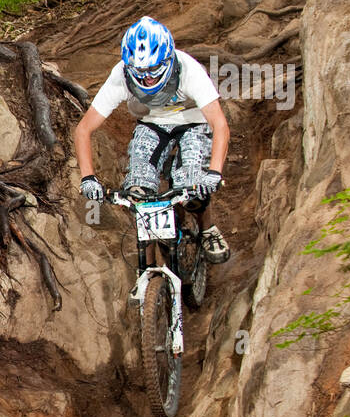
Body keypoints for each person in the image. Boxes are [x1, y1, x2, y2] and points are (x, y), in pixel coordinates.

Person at [72, 16, 231, 264]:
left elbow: (219, 124)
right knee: (138, 192)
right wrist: (87, 178)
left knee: (193, 190)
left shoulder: (188, 69)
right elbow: (84, 129)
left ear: (168, 60)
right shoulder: (120, 75)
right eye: (140, 72)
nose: (147, 78)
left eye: (153, 70)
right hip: (152, 124)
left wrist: (214, 172)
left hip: (194, 122)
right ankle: (146, 268)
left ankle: (208, 229)